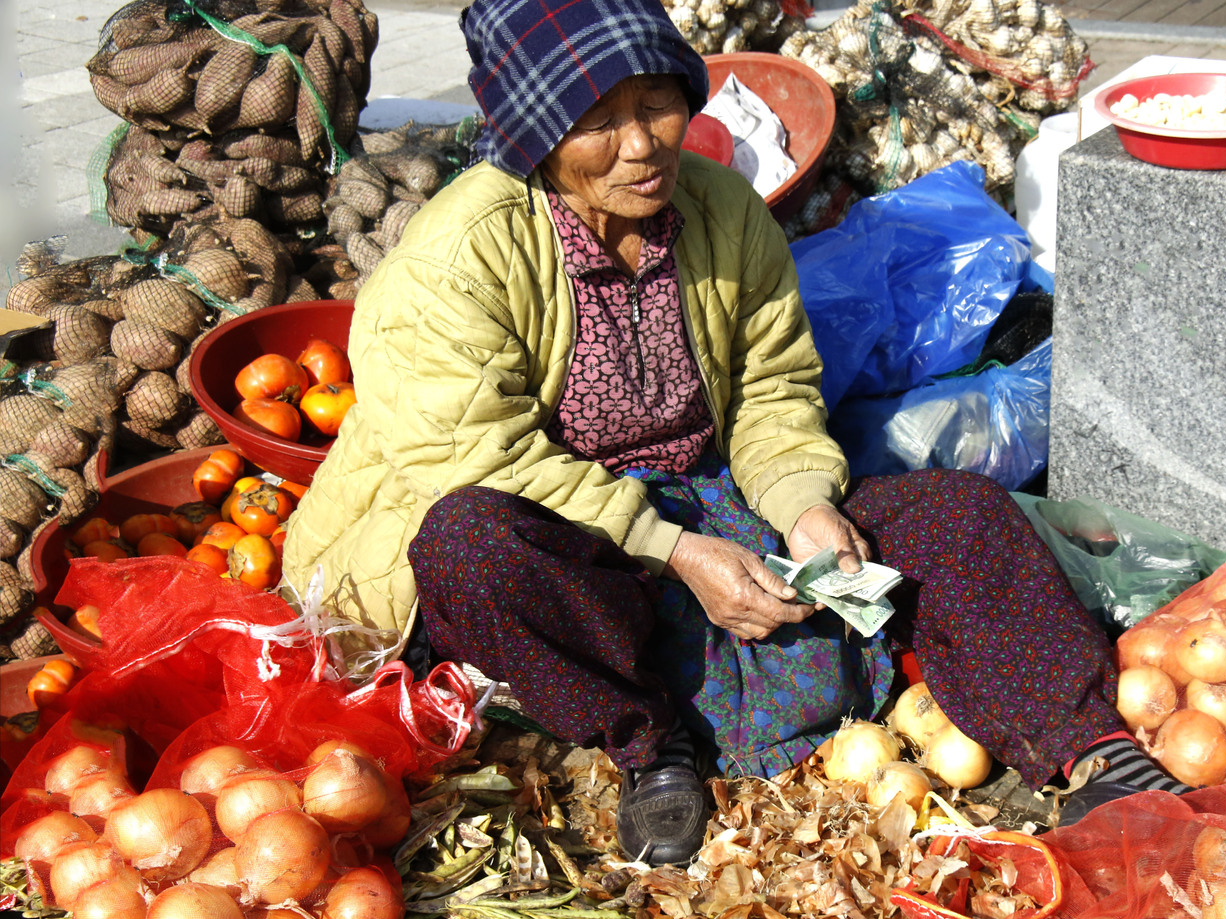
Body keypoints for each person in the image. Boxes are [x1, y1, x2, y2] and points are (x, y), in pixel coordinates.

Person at [282, 0, 1121, 865]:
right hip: (566, 539)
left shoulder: (719, 207)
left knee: (963, 514)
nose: (641, 145)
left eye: (656, 105)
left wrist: (800, 502)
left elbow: (771, 385)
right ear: (537, 135)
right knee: (472, 549)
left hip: (713, 496)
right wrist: (673, 550)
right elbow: (478, 458)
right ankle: (649, 744)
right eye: (598, 123)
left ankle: (1090, 746)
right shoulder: (455, 259)